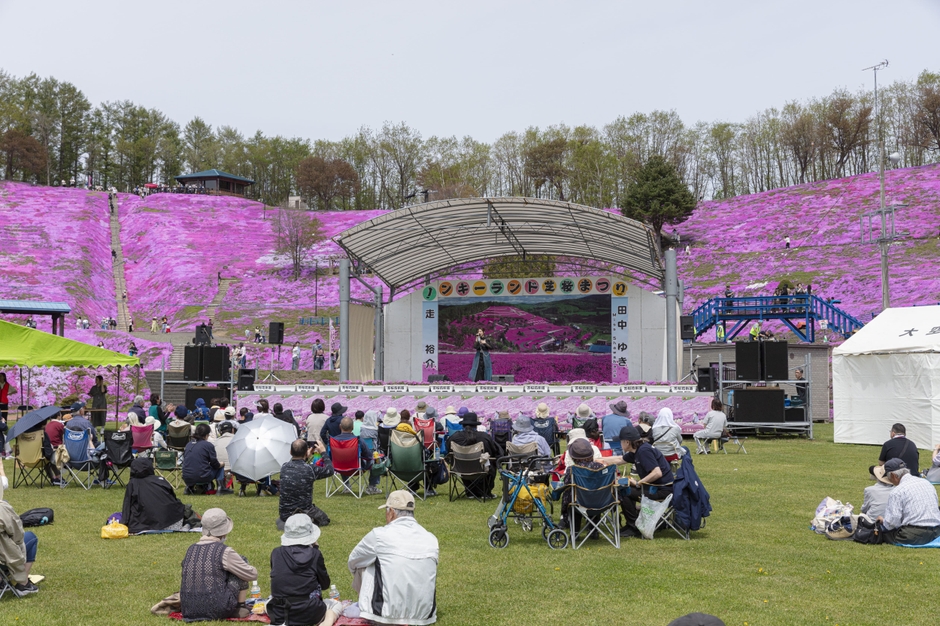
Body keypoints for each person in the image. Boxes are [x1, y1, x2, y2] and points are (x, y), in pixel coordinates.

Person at [347, 490, 439, 625]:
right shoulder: (431, 538)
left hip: (386, 615)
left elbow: (353, 561)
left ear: (391, 512)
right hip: (423, 616)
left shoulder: (379, 535)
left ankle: (367, 609)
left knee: (365, 563)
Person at [598, 423, 675, 539]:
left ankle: (634, 527)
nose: (620, 443)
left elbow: (657, 472)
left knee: (623, 491)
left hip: (662, 491)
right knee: (624, 487)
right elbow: (619, 459)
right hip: (654, 487)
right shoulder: (638, 450)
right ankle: (633, 523)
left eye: (621, 441)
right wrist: (596, 459)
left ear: (627, 442)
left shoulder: (644, 451)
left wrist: (638, 483)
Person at [179, 508, 257, 621]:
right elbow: (251, 574)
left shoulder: (191, 549)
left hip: (188, 608)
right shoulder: (224, 551)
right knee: (242, 562)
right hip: (218, 608)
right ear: (224, 531)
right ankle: (240, 606)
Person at [268, 514, 340, 626]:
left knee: (268, 601)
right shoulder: (315, 554)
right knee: (336, 605)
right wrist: (315, 549)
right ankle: (327, 622)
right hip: (309, 612)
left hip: (281, 612)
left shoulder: (276, 553)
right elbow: (325, 584)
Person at [876, 458, 940, 545]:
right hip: (936, 532)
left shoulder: (897, 491)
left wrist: (883, 521)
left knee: (882, 534)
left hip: (914, 534)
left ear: (893, 475)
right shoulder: (927, 483)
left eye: (888, 477)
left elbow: (892, 523)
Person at [122, 457, 187, 533]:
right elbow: (173, 498)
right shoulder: (160, 480)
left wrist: (123, 523)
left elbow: (127, 505)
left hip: (147, 525)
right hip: (175, 522)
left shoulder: (133, 483)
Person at [279, 439, 334, 525]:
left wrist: (305, 456)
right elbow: (330, 470)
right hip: (304, 512)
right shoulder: (310, 469)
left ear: (290, 452)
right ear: (305, 452)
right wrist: (323, 452)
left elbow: (298, 465)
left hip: (285, 515)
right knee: (324, 519)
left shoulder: (284, 467)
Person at [0, 477, 40, 595]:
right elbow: (18, 536)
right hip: (3, 558)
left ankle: (1, 581)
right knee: (31, 537)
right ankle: (23, 584)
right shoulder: (2, 509)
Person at [448, 412, 501, 498]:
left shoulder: (454, 438)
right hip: (482, 470)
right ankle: (485, 491)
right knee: (491, 461)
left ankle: (470, 491)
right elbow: (495, 452)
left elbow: (448, 452)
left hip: (461, 470)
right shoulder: (484, 437)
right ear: (476, 425)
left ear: (463, 425)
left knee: (466, 463)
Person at [559, 438, 606, 532]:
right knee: (595, 495)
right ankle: (594, 530)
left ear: (573, 457)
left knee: (573, 497)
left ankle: (575, 531)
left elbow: (567, 485)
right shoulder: (600, 467)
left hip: (579, 502)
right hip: (601, 502)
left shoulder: (572, 469)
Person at [334, 417, 384, 496]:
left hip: (338, 468)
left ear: (340, 427)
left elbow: (329, 456)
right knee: (376, 460)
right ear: (353, 427)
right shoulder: (358, 440)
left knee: (343, 459)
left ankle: (347, 486)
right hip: (357, 468)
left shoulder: (333, 440)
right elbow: (369, 456)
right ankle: (372, 486)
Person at [182, 423, 229, 494]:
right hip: (202, 476)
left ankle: (189, 487)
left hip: (186, 477)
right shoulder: (208, 445)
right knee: (220, 466)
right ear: (206, 435)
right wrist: (222, 464)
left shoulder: (188, 444)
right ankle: (221, 487)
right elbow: (215, 464)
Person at [0, 373, 14, 458]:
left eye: (1, 376)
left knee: (4, 418)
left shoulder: (7, 385)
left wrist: (7, 393)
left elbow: (14, 390)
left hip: (4, 403)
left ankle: (3, 428)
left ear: (4, 377)